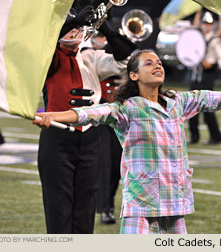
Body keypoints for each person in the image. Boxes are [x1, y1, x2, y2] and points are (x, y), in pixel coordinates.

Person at [33, 49, 221, 234]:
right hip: (142, 204)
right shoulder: (127, 108)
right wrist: (52, 116)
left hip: (175, 201)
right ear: (133, 75)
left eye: (160, 63)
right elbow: (91, 113)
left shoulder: (177, 102)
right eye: (149, 63)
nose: (157, 66)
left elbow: (208, 98)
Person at [37, 6, 136, 233]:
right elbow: (47, 41)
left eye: (78, 29)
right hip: (57, 136)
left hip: (90, 138)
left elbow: (127, 59)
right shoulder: (48, 58)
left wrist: (109, 31)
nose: (75, 33)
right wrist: (72, 22)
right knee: (59, 208)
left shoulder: (90, 57)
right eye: (71, 28)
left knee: (86, 206)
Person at [89, 33, 123, 224]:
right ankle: (105, 208)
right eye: (99, 36)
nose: (103, 39)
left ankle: (107, 202)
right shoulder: (89, 58)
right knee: (105, 164)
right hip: (100, 116)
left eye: (104, 36)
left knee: (117, 164)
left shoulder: (117, 57)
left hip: (119, 116)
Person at [188, 11, 221, 145]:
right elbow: (194, 28)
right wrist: (198, 10)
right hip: (196, 76)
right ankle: (194, 136)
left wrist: (211, 65)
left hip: (207, 77)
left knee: (208, 109)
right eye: (205, 23)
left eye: (209, 23)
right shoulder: (197, 39)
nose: (207, 26)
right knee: (191, 106)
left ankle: (216, 136)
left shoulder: (215, 41)